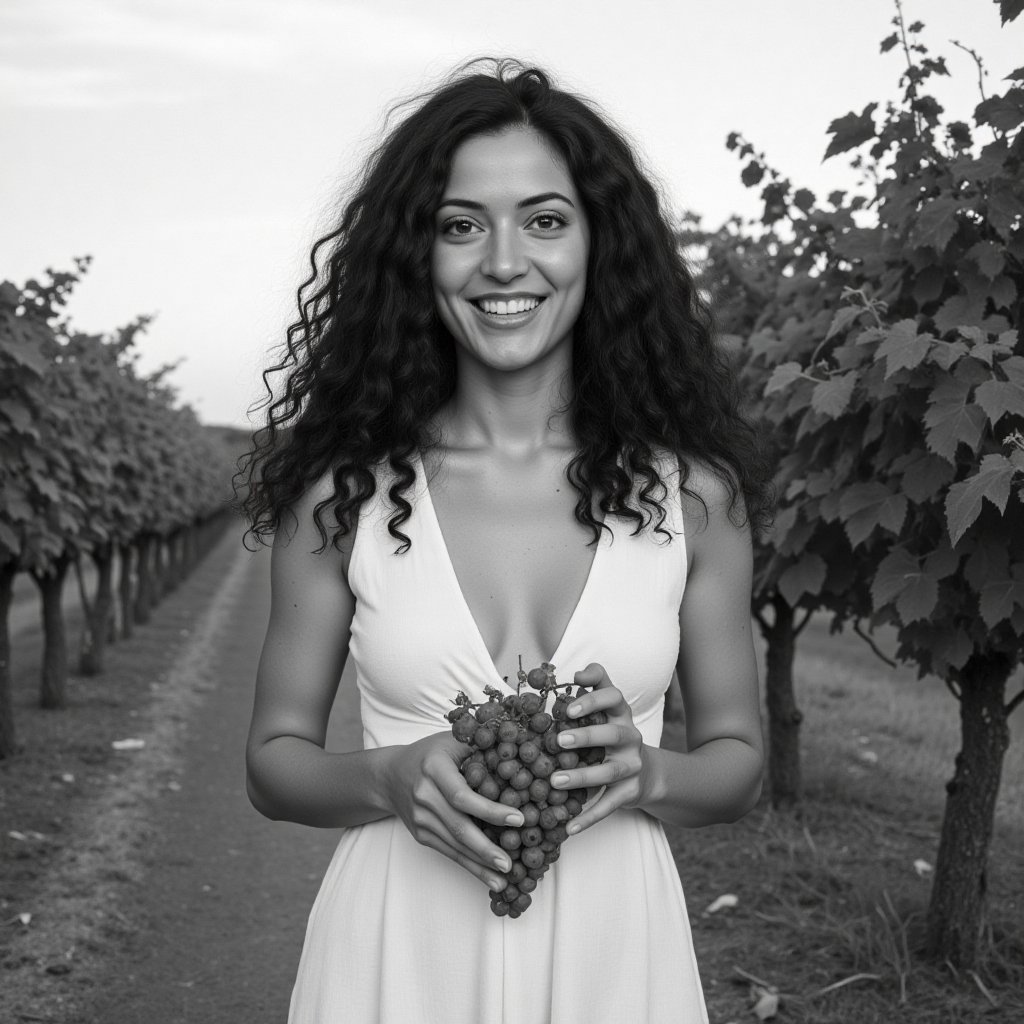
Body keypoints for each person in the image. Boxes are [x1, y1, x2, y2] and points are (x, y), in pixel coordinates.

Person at [239, 58, 772, 1024]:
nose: (501, 261)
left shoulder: (695, 498)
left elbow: (737, 759)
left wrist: (650, 771)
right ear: (418, 257)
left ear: (598, 246)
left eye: (545, 219)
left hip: (616, 955)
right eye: (459, 225)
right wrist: (387, 777)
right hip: (395, 956)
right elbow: (274, 762)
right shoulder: (343, 497)